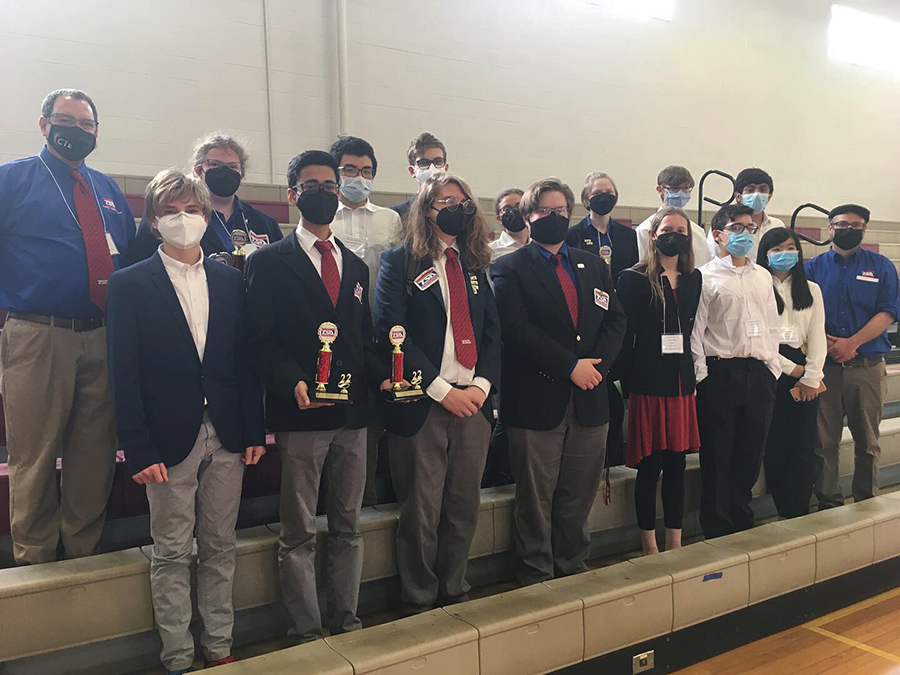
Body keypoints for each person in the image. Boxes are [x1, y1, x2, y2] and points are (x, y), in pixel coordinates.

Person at [107, 170, 265, 674]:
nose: (184, 219)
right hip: (166, 436)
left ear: (205, 216)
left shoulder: (227, 279)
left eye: (193, 211)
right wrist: (137, 445)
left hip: (226, 432)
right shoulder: (129, 284)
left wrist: (252, 430)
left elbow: (242, 362)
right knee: (172, 550)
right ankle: (177, 655)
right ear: (154, 222)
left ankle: (218, 645)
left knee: (220, 545)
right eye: (172, 211)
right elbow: (122, 371)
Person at [246, 150, 387, 643]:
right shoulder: (267, 262)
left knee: (349, 525)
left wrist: (387, 378)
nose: (326, 192)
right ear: (292, 195)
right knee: (300, 530)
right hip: (301, 413)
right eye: (313, 185)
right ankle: (306, 630)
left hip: (353, 415)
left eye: (332, 184)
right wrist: (292, 380)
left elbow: (364, 340)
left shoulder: (354, 266)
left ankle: (347, 622)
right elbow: (258, 339)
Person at [0, 88, 135, 565]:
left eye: (87, 124)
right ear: (43, 124)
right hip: (39, 335)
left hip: (101, 334)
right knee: (34, 456)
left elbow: (129, 260)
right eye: (66, 120)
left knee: (94, 454)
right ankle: (34, 559)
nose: (77, 130)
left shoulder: (108, 190)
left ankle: (83, 552)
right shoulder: (10, 180)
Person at [374, 172, 500, 613]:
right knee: (421, 511)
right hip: (423, 402)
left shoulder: (477, 264)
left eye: (464, 202)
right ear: (426, 210)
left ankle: (455, 589)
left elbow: (492, 336)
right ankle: (419, 599)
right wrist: (443, 390)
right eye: (446, 201)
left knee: (464, 506)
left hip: (475, 403)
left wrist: (481, 387)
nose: (457, 209)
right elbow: (393, 332)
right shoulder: (399, 262)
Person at [491, 177, 626, 584]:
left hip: (590, 398)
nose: (555, 217)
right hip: (537, 400)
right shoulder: (508, 267)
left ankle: (572, 565)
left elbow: (616, 320)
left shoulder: (591, 265)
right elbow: (517, 330)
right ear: (529, 216)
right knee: (536, 497)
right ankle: (535, 573)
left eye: (561, 211)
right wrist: (571, 366)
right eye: (545, 211)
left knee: (578, 494)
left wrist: (596, 368)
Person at [691, 203, 780, 538]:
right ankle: (716, 526)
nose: (745, 234)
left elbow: (772, 324)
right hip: (720, 373)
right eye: (737, 228)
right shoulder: (704, 276)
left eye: (750, 228)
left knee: (749, 452)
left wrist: (770, 367)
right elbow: (696, 332)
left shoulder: (762, 275)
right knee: (717, 455)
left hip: (757, 373)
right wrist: (702, 376)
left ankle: (743, 521)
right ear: (719, 235)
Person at [616, 206, 701, 555]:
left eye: (681, 230)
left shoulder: (694, 277)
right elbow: (624, 336)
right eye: (667, 229)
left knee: (677, 467)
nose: (674, 235)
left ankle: (676, 542)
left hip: (682, 384)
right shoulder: (633, 279)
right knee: (649, 468)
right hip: (648, 385)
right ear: (652, 235)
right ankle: (649, 545)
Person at [805, 204, 900, 509]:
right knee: (824, 442)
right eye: (842, 224)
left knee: (868, 442)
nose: (849, 229)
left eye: (856, 225)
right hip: (825, 368)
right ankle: (828, 503)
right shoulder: (812, 268)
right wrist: (830, 345)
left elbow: (889, 311)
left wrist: (852, 342)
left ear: (864, 229)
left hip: (867, 366)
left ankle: (866, 501)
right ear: (830, 228)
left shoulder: (882, 266)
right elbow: (802, 314)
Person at [329, 135, 402, 506]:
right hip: (338, 339)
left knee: (375, 429)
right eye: (350, 170)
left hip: (384, 337)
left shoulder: (390, 220)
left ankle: (370, 504)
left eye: (366, 171)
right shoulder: (323, 218)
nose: (359, 177)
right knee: (342, 432)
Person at [122, 133, 283, 266]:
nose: (224, 171)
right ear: (198, 170)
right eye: (215, 165)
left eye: (233, 166)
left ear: (242, 173)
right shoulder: (166, 216)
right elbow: (142, 265)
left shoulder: (265, 223)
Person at [564, 171, 637, 467]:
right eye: (597, 192)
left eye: (609, 191)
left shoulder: (627, 235)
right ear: (586, 199)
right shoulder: (573, 234)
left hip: (619, 313)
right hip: (588, 315)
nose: (603, 196)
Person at [756, 228, 826, 519]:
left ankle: (798, 508)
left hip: (805, 368)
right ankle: (781, 504)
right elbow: (759, 338)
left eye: (790, 247)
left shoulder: (811, 289)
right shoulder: (758, 286)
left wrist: (811, 375)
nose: (785, 254)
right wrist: (793, 369)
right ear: (765, 254)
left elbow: (817, 334)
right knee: (775, 442)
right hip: (769, 366)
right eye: (776, 249)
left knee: (803, 442)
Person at [635, 165, 710, 267]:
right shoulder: (644, 230)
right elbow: (642, 266)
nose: (680, 193)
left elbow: (703, 267)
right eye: (675, 189)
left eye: (686, 188)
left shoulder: (698, 232)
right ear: (660, 190)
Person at [706, 167, 785, 261]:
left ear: (769, 197)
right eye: (750, 189)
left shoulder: (777, 226)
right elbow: (711, 257)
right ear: (738, 196)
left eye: (762, 189)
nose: (757, 194)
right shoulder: (724, 225)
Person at [390, 132, 448, 219]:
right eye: (424, 163)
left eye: (438, 161)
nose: (432, 168)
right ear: (412, 171)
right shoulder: (397, 215)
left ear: (446, 168)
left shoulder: (459, 211)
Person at [490, 188, 529, 261]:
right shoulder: (490, 251)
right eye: (507, 209)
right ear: (499, 218)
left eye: (519, 206)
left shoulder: (540, 247)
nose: (514, 211)